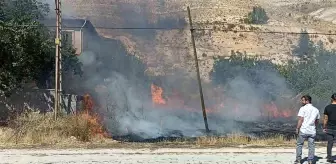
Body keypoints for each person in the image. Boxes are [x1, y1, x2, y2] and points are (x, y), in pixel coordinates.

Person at [295, 95, 320, 164]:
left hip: (303, 130)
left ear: (307, 101)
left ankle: (298, 160)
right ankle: (310, 160)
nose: (302, 101)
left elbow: (300, 120)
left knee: (299, 144)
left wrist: (297, 128)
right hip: (312, 131)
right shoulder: (316, 110)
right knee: (311, 146)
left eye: (303, 100)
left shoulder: (302, 109)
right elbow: (317, 121)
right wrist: (313, 126)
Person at [323, 93, 336, 163]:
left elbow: (325, 118)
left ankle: (329, 157)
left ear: (331, 99)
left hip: (330, 127)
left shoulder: (327, 107)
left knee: (330, 143)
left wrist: (324, 126)